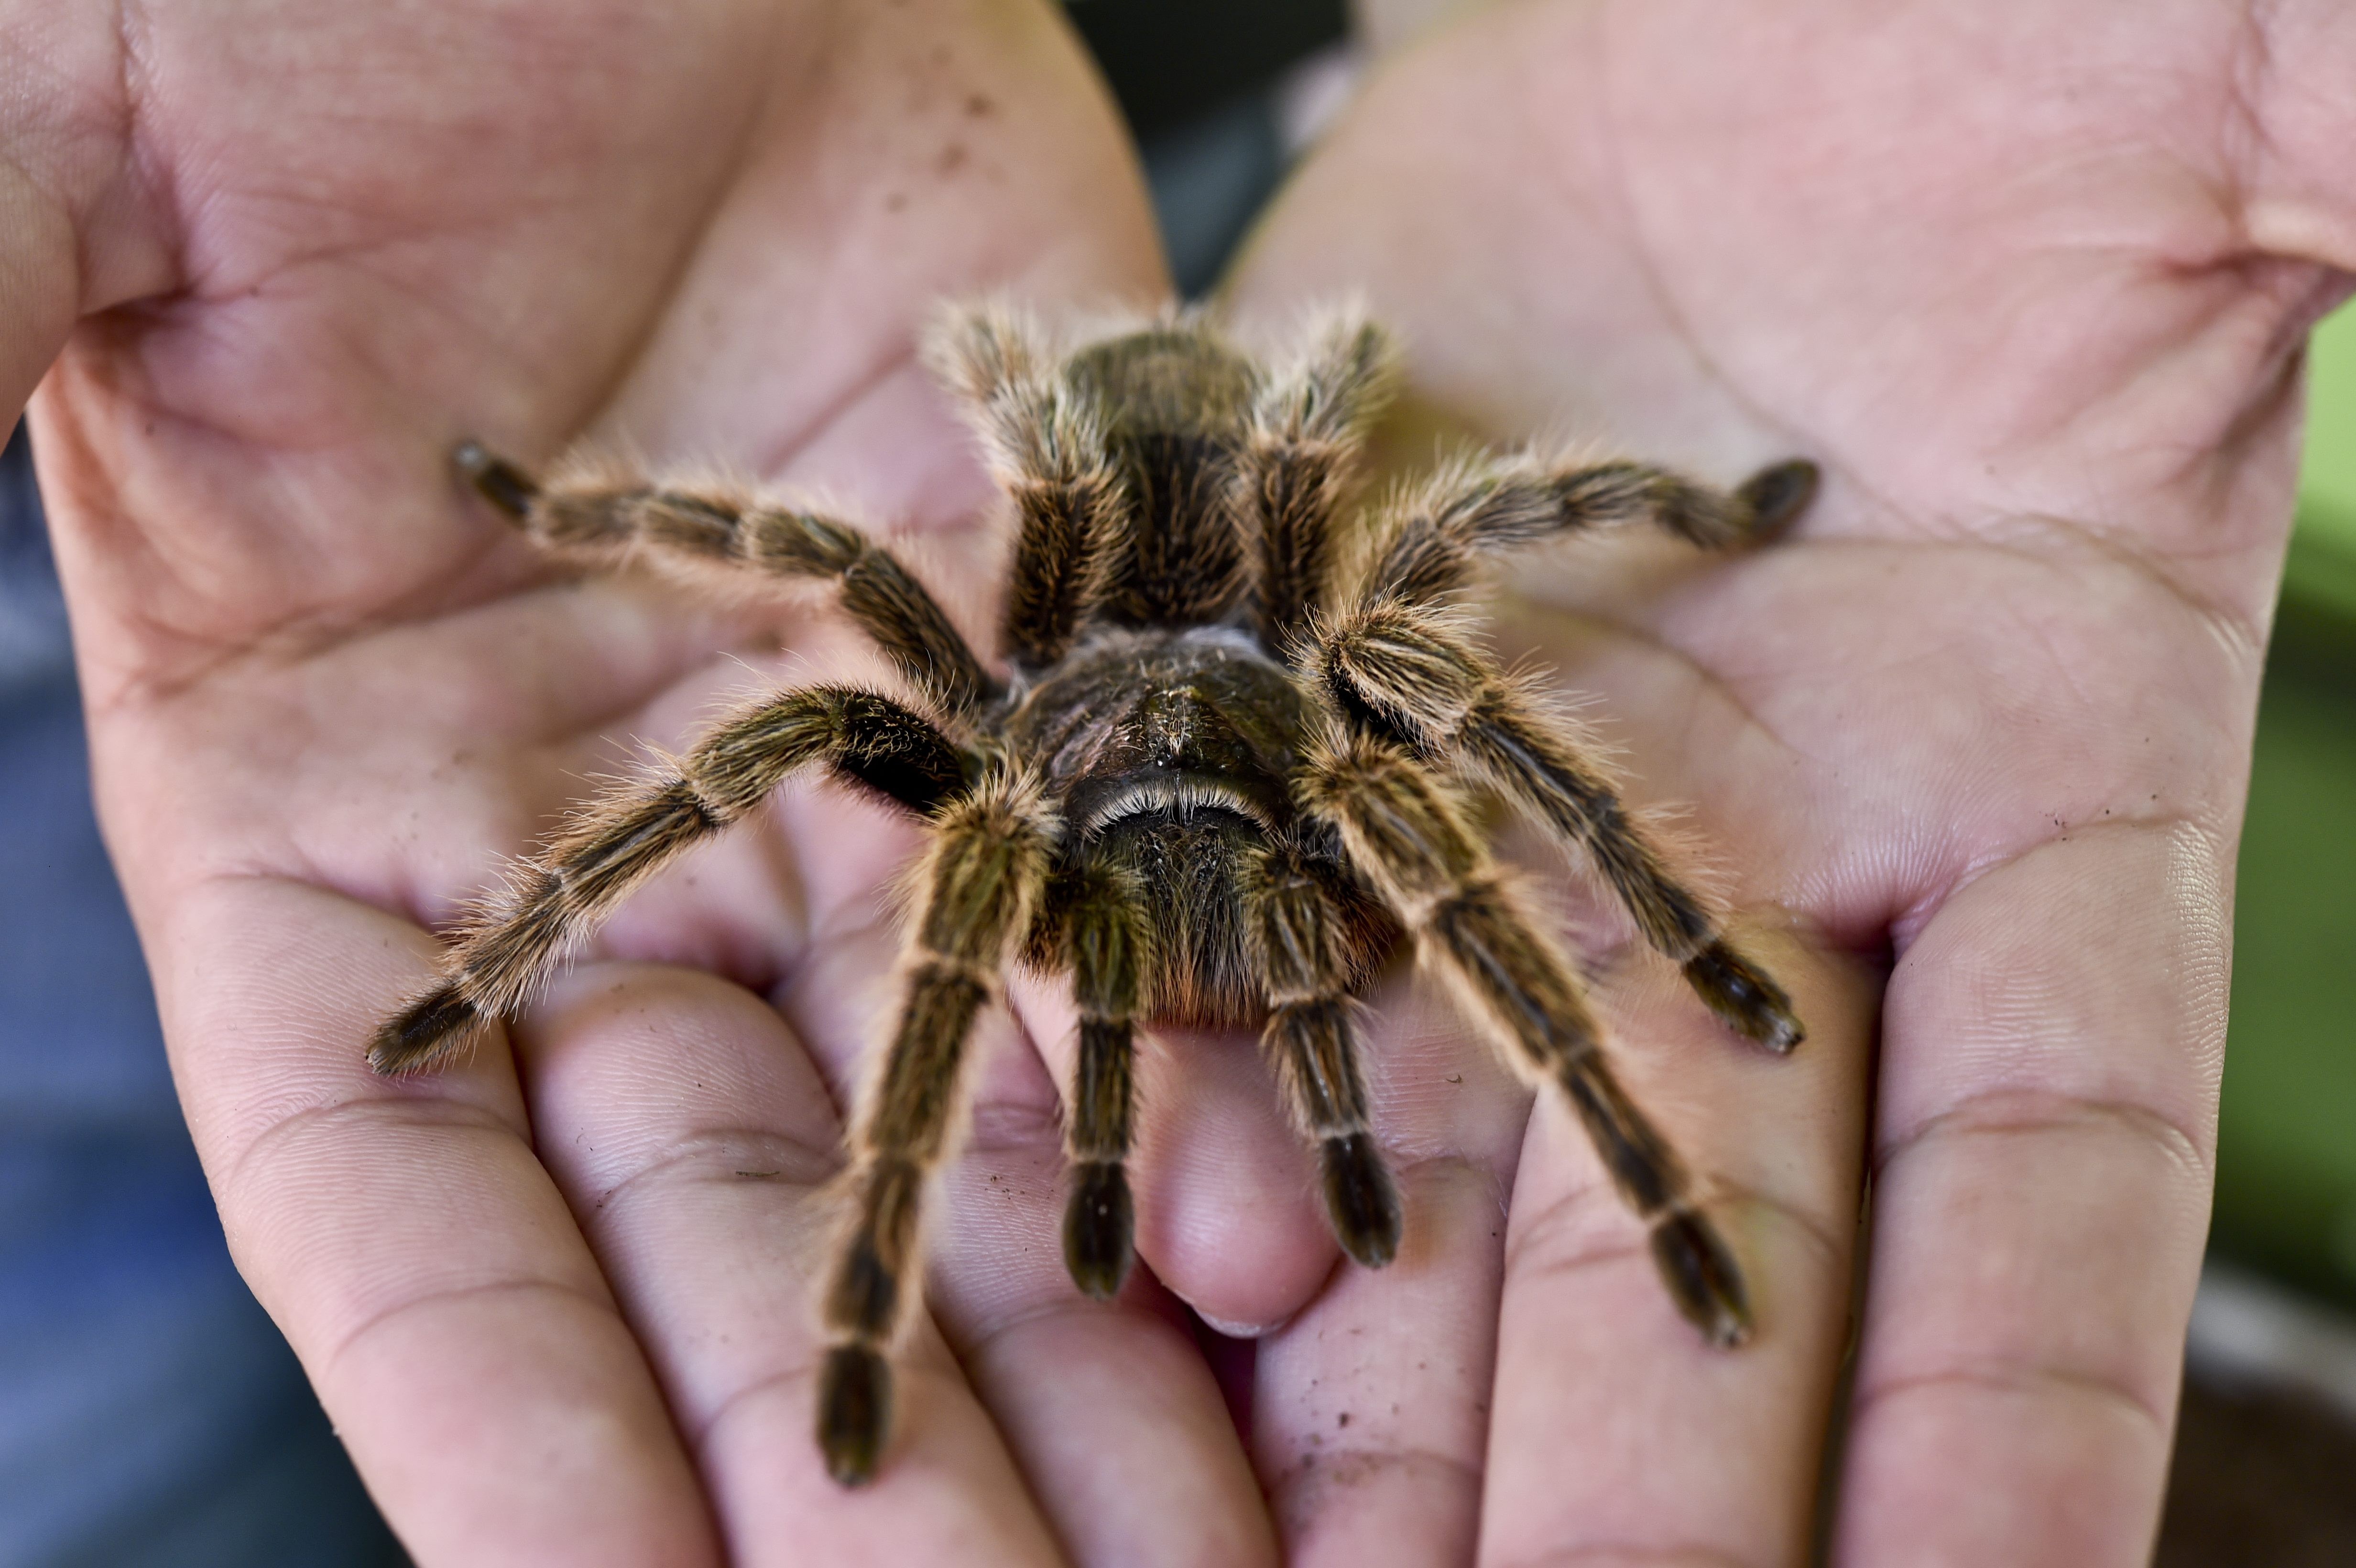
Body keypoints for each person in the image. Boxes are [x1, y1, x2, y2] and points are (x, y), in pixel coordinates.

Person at [5, 0, 2345, 1561]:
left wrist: (1687, 946)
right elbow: (807, 577)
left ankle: (1644, 1152)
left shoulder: (1354, 676)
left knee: (1431, 562)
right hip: (974, 539)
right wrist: (514, 933)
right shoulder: (985, 778)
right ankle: (797, 1313)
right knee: (808, 650)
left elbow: (1461, 598)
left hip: (1203, 329)